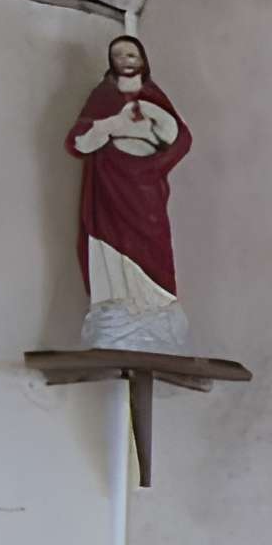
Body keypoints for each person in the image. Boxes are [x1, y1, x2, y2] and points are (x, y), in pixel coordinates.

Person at [68, 35, 194, 352]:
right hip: (110, 185)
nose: (126, 59)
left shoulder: (153, 96)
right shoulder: (104, 96)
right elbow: (78, 139)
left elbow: (180, 137)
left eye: (131, 53)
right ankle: (118, 307)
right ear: (111, 61)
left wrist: (154, 151)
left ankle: (155, 309)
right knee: (111, 245)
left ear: (142, 58)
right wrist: (111, 124)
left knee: (154, 244)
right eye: (119, 54)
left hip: (146, 187)